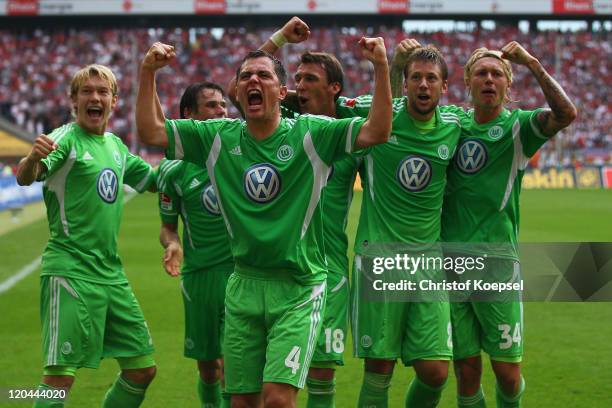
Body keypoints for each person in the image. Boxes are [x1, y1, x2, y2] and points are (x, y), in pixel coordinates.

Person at [135, 21, 392, 408]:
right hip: (243, 286)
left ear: (282, 91)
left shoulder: (312, 133)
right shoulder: (217, 137)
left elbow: (377, 131)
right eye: (246, 77)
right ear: (237, 91)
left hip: (298, 286)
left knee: (278, 400)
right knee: (243, 402)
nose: (254, 80)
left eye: (264, 75)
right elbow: (152, 132)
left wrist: (382, 67)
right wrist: (148, 71)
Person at [230, 19, 359, 407]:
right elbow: (253, 77)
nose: (300, 86)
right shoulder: (284, 124)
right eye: (297, 79)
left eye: (310, 79)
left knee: (321, 373)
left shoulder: (347, 129)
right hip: (279, 269)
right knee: (261, 387)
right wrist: (281, 38)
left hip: (329, 268)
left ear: (333, 88)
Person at [441, 42, 577, 408]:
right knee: (466, 370)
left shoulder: (519, 128)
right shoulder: (449, 124)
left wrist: (532, 63)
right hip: (448, 263)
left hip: (497, 263)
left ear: (507, 85)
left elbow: (566, 113)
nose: (489, 79)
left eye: (497, 74)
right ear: (467, 81)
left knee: (507, 371)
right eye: (481, 73)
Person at [16, 64, 157, 408]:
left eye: (102, 91)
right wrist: (32, 158)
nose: (95, 97)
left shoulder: (116, 146)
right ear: (74, 101)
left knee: (142, 369)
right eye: (87, 91)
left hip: (111, 275)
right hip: (71, 270)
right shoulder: (65, 138)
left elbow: (155, 181)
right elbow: (25, 176)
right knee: (59, 378)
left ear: (113, 101)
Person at [337, 40, 463, 407]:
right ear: (404, 84)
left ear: (443, 87)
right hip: (379, 258)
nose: (424, 85)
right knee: (379, 369)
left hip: (428, 262)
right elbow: (318, 100)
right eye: (416, 78)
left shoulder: (455, 126)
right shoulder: (376, 116)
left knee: (436, 371)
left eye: (432, 79)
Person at [156, 81, 232, 408]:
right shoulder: (173, 171)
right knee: (209, 368)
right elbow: (167, 228)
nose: (222, 111)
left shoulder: (239, 154)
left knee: (237, 366)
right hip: (199, 278)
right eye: (212, 106)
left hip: (240, 275)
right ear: (189, 115)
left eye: (224, 105)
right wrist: (172, 244)